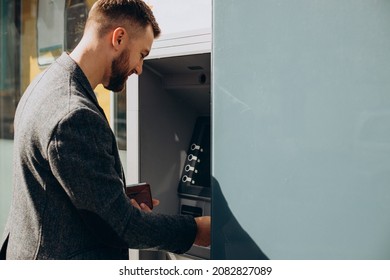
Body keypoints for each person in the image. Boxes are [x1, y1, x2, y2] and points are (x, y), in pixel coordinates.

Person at [0, 0, 210, 260]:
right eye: (142, 55)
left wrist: (114, 200)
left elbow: (54, 192)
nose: (140, 68)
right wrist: (197, 230)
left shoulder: (44, 84)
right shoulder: (75, 116)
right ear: (119, 38)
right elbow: (122, 228)